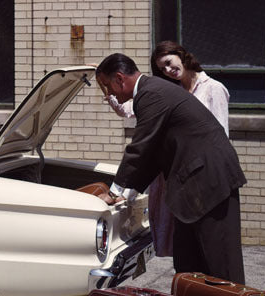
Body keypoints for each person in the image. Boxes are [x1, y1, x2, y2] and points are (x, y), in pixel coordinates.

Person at [96, 53, 247, 283]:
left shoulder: (150, 94)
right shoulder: (152, 91)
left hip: (211, 183)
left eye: (107, 87)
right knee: (188, 265)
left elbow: (140, 147)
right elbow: (154, 155)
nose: (110, 95)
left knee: (221, 266)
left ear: (119, 78)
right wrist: (130, 192)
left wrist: (115, 191)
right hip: (194, 189)